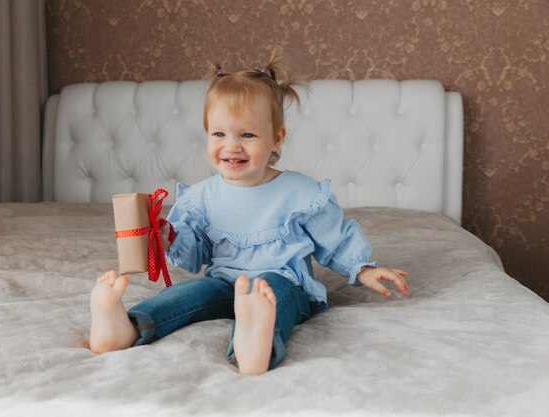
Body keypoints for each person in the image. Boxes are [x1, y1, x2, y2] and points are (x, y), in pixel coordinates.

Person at [89, 55, 409, 375]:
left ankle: (255, 342)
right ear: (207, 134)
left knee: (272, 294)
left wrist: (362, 267)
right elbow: (194, 254)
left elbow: (334, 237)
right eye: (219, 134)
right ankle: (129, 326)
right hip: (225, 283)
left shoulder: (299, 192)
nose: (232, 146)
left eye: (247, 135)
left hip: (283, 282)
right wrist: (168, 238)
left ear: (276, 138)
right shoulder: (202, 197)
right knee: (189, 292)